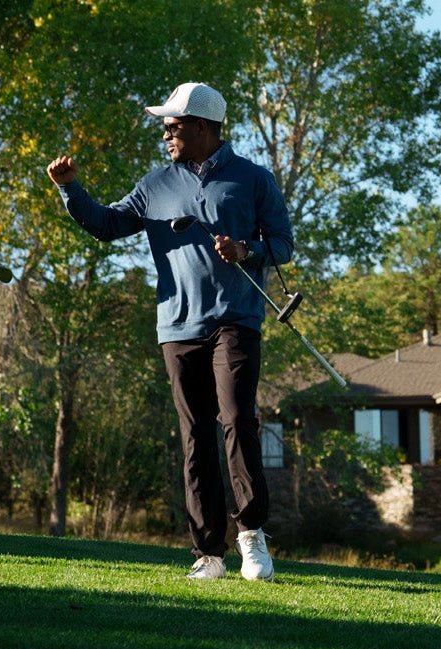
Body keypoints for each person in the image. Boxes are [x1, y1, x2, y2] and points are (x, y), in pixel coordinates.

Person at [45, 81, 293, 582]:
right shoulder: (154, 184)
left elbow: (283, 244)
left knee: (237, 420)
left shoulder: (253, 179)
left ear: (202, 127)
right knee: (195, 435)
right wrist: (71, 189)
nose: (166, 136)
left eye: (173, 127)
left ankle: (251, 536)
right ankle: (209, 554)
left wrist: (246, 250)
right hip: (177, 326)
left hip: (235, 320)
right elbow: (107, 225)